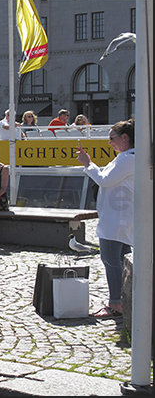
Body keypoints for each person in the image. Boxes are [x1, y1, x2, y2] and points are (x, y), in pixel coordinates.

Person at [76, 119, 134, 319]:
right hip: (119, 217)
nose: (110, 143)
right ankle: (124, 300)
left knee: (111, 260)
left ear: (124, 138)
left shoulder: (127, 159)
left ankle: (116, 303)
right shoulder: (127, 157)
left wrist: (88, 164)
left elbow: (105, 180)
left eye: (112, 138)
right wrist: (90, 164)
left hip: (116, 220)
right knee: (122, 260)